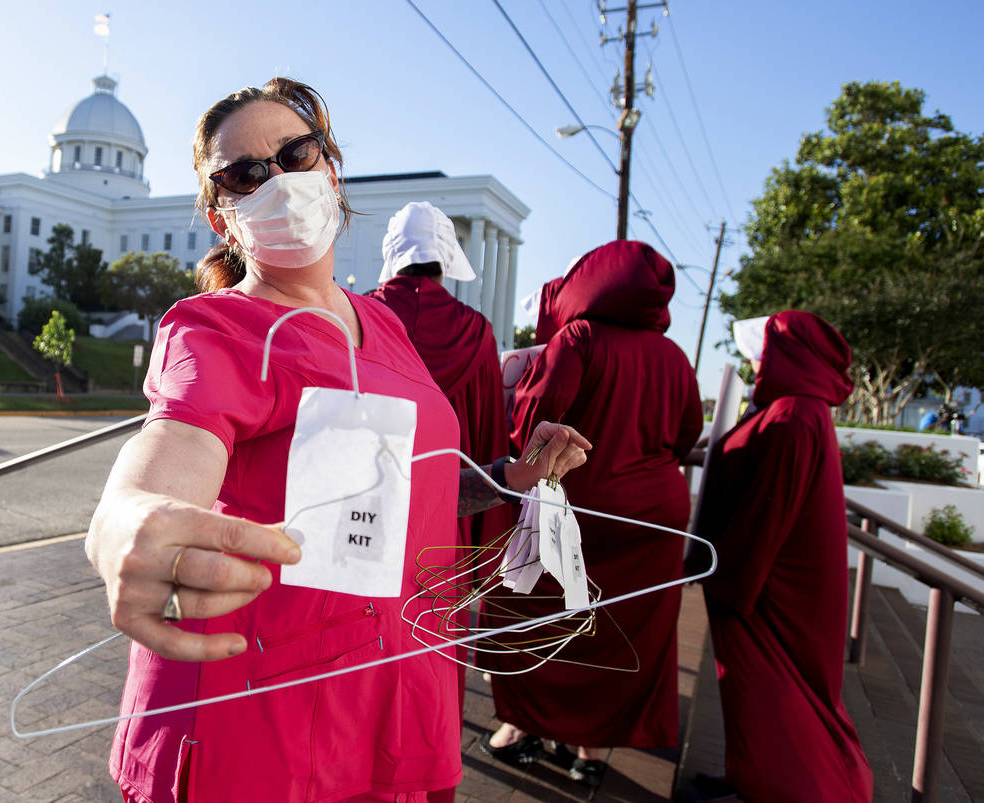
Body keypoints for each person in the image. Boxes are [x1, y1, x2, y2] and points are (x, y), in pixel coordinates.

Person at [84, 77, 591, 803]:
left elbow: (403, 489)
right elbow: (174, 445)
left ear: (331, 166)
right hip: (262, 710)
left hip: (390, 688)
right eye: (246, 174)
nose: (280, 182)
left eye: (297, 153)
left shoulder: (383, 324)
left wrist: (511, 473)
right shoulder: (215, 329)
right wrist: (127, 518)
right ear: (220, 215)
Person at [480, 240, 703, 786]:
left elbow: (536, 420)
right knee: (622, 630)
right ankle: (592, 751)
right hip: (653, 518)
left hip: (577, 504)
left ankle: (525, 730)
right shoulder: (672, 355)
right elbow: (687, 433)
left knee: (537, 616)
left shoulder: (578, 338)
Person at [694, 310, 873, 802]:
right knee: (759, 698)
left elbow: (765, 517)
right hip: (772, 584)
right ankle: (752, 778)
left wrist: (729, 584)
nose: (755, 365)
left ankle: (785, 788)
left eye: (762, 355)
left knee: (774, 696)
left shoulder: (794, 416)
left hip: (772, 591)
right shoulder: (796, 409)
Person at [370, 202, 512, 554]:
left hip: (367, 511)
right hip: (449, 511)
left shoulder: (360, 316)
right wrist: (488, 544)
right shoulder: (476, 332)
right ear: (446, 260)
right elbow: (488, 437)